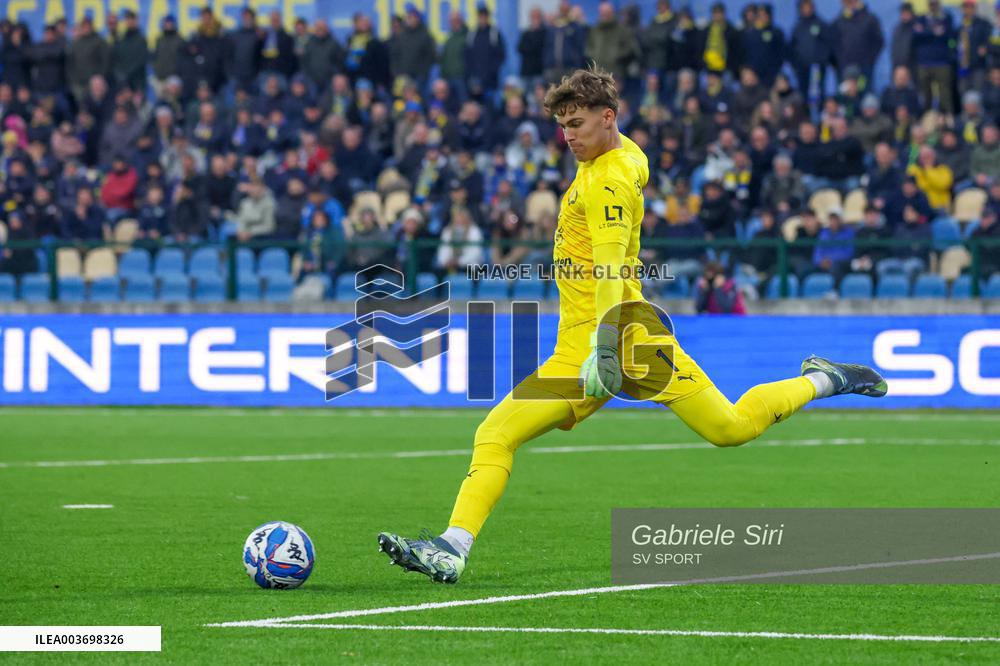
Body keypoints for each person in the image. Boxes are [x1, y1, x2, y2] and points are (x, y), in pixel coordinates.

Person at [377, 68, 887, 584]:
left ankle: (826, 378)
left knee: (724, 430)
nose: (567, 136)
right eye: (562, 125)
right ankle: (451, 548)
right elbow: (628, 165)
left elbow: (611, 268)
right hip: (601, 342)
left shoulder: (609, 181)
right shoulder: (621, 157)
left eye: (576, 123)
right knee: (503, 434)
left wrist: (604, 346)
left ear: (608, 117)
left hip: (617, 342)